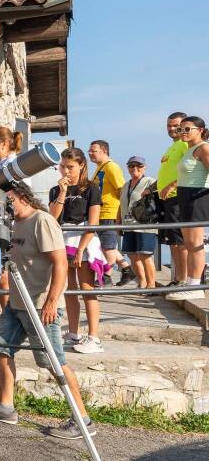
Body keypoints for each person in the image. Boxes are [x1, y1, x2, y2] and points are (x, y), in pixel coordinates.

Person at [0, 183, 95, 440]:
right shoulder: (13, 224)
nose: (5, 205)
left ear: (23, 197)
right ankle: (5, 406)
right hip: (17, 303)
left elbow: (60, 263)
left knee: (53, 361)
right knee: (1, 349)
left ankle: (83, 419)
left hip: (39, 305)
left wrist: (51, 301)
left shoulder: (42, 221)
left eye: (9, 199)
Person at [49, 147, 106, 354]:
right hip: (62, 240)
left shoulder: (91, 188)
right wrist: (63, 193)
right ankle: (73, 333)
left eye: (70, 167)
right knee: (69, 291)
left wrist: (82, 249)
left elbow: (93, 223)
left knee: (86, 289)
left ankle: (94, 337)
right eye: (62, 167)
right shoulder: (56, 190)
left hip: (84, 239)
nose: (66, 171)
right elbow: (52, 218)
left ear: (81, 166)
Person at [165, 116, 209, 301]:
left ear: (200, 130)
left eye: (187, 129)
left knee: (195, 243)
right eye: (181, 129)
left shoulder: (204, 148)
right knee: (188, 244)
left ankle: (196, 286)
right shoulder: (189, 149)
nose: (183, 132)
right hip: (184, 197)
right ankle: (191, 282)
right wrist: (173, 185)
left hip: (197, 197)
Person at [88, 140, 132, 284]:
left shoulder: (111, 167)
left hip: (110, 212)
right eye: (90, 150)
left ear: (104, 151)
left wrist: (121, 212)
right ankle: (127, 269)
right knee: (107, 245)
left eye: (93, 150)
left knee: (108, 247)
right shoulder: (100, 167)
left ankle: (106, 276)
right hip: (101, 212)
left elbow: (121, 189)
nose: (90, 153)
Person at [158, 112, 189, 287]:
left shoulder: (185, 144)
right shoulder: (172, 147)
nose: (171, 128)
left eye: (175, 125)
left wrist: (173, 185)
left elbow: (191, 168)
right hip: (167, 200)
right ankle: (177, 277)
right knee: (172, 241)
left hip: (178, 197)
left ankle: (184, 279)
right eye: (169, 125)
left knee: (181, 240)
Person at [118, 156, 157, 291]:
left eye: (138, 166)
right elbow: (121, 204)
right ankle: (142, 282)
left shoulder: (150, 181)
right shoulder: (126, 185)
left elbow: (159, 195)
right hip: (128, 225)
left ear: (144, 167)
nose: (135, 168)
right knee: (132, 255)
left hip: (144, 225)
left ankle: (151, 286)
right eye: (131, 166)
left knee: (145, 255)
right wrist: (118, 222)